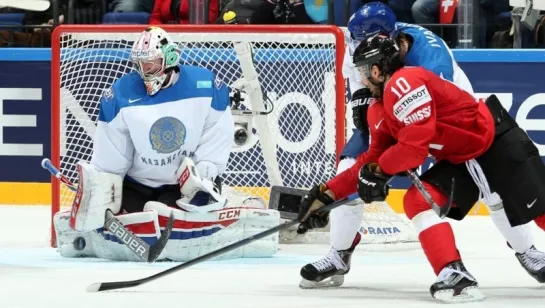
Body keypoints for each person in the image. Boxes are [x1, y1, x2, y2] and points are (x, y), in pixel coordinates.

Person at [298, 1, 545, 289]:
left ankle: (527, 251)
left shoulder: (418, 70)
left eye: (365, 71)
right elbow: (380, 150)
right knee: (408, 196)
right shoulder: (371, 60)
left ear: (378, 66)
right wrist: (327, 194)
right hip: (454, 151)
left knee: (510, 202)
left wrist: (381, 169)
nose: (360, 77)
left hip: (486, 139)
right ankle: (452, 272)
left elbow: (415, 145)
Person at [52, 26, 279, 262]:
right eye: (140, 64)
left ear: (170, 58)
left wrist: (203, 176)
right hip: (137, 184)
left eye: (151, 63)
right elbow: (112, 155)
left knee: (168, 218)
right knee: (136, 218)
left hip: (183, 185)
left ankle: (228, 214)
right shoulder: (120, 93)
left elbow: (216, 134)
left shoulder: (206, 85)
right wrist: (101, 190)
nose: (145, 71)